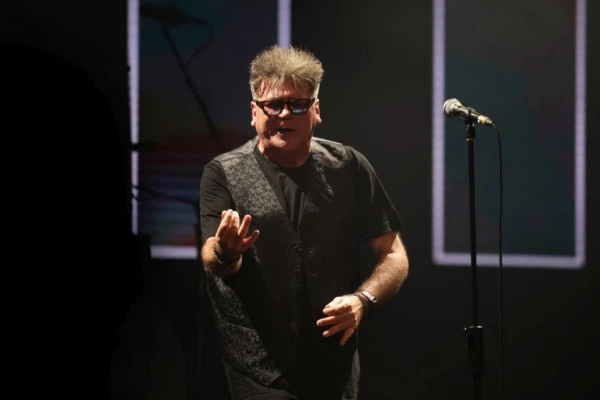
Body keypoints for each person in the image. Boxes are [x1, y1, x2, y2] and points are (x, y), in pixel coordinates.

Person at [199, 44, 409, 400]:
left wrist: (363, 300)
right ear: (254, 112)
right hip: (258, 369)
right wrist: (226, 251)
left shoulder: (350, 167)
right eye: (273, 105)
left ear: (316, 111)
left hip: (334, 366)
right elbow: (211, 258)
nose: (285, 114)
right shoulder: (223, 173)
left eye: (297, 105)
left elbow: (393, 254)